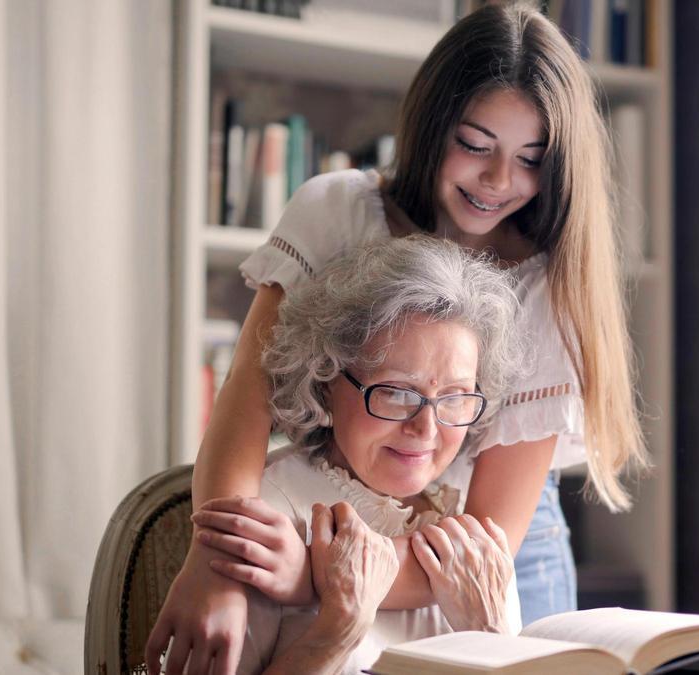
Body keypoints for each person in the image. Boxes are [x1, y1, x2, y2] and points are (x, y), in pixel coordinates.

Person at [148, 3, 648, 673]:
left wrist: (309, 576)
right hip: (336, 518)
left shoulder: (546, 286)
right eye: (475, 145)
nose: (499, 182)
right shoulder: (338, 211)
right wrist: (217, 562)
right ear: (432, 124)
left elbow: (491, 532)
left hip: (485, 551)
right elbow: (247, 395)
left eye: (530, 159)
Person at [156, 237, 522, 674]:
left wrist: (491, 636)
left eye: (456, 397)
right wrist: (336, 631)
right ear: (325, 379)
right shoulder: (267, 519)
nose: (426, 428)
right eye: (395, 393)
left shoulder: (472, 543)